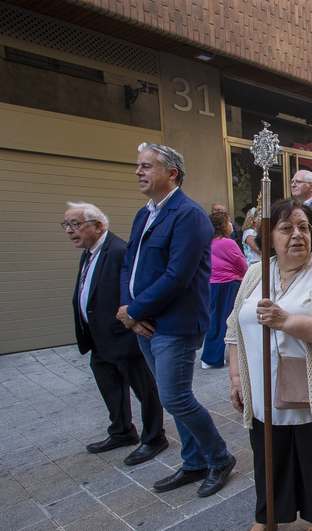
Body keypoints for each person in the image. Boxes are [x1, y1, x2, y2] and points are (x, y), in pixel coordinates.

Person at [225, 197, 312, 531]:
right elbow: (234, 327)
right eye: (286, 228)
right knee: (270, 455)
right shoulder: (256, 274)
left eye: (303, 228)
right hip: (263, 388)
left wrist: (287, 322)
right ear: (269, 236)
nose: (297, 235)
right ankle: (268, 516)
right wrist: (237, 377)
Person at [118, 142, 236, 497]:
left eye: (147, 166)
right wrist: (129, 310)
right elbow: (129, 265)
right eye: (138, 166)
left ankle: (219, 457)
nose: (139, 172)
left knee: (175, 397)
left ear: (171, 173)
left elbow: (177, 276)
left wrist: (135, 310)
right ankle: (194, 462)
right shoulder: (145, 214)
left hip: (176, 323)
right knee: (172, 396)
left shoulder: (189, 214)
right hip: (145, 322)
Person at [64, 201, 167, 465]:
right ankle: (122, 431)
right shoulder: (89, 252)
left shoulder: (119, 250)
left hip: (124, 335)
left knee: (146, 389)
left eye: (75, 224)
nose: (69, 230)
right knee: (110, 387)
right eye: (66, 224)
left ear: (98, 226)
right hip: (99, 338)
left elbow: (140, 288)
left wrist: (136, 320)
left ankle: (154, 437)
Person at [201, 209, 248, 368]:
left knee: (215, 319)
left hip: (212, 284)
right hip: (228, 284)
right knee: (226, 320)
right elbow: (241, 264)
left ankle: (210, 355)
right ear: (222, 226)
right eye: (228, 222)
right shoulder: (228, 243)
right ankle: (213, 358)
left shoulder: (208, 243)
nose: (231, 225)